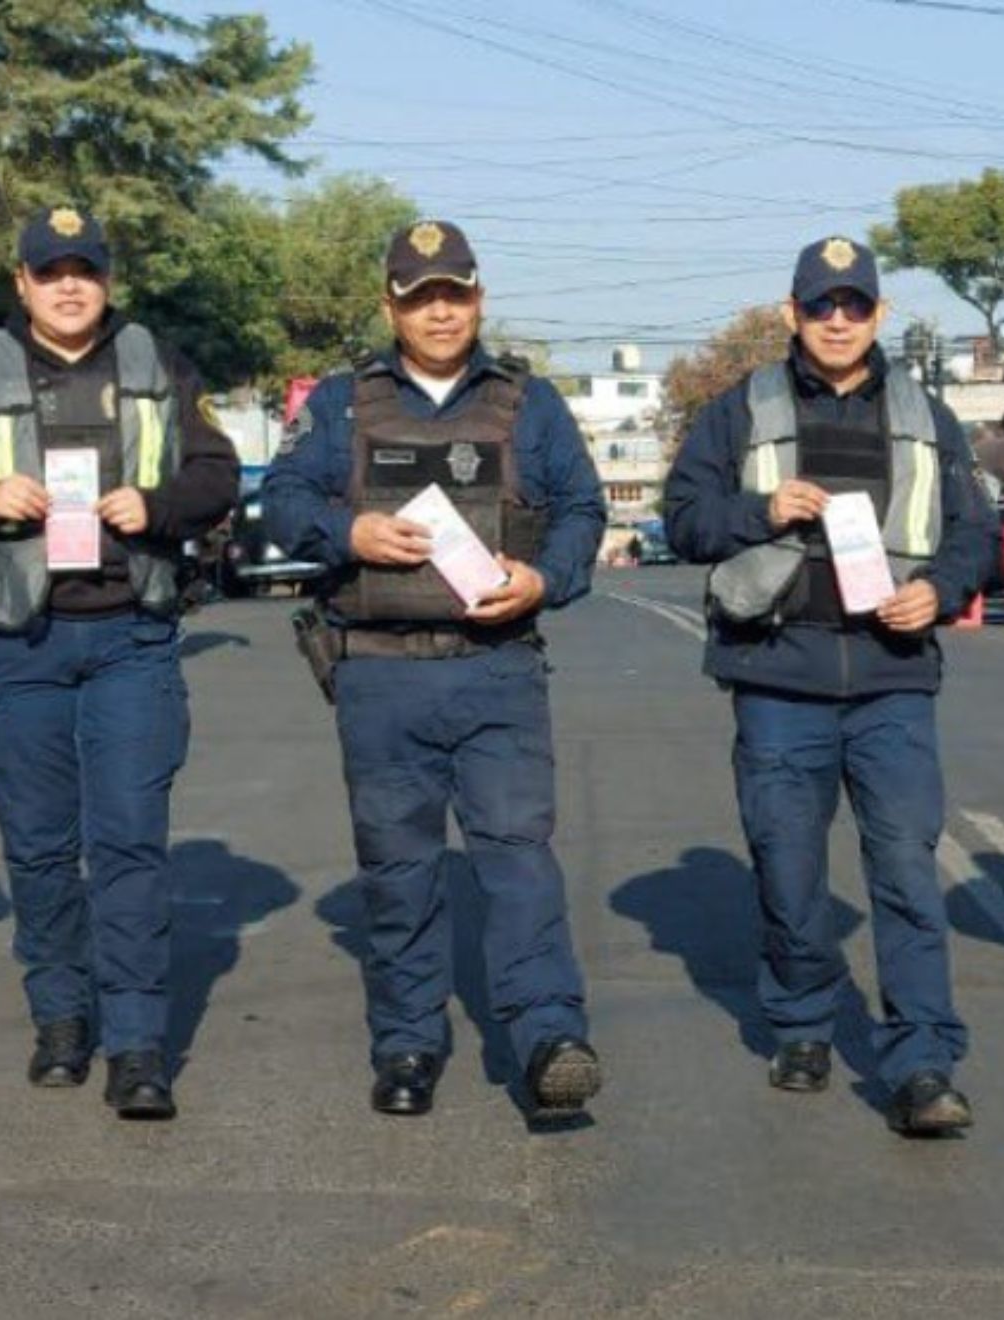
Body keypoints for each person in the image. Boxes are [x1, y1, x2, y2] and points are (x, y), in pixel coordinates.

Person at [0, 206, 238, 1121]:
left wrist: (156, 506)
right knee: (41, 850)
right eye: (51, 273)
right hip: (18, 645)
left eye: (84, 269)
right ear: (22, 284)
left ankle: (136, 1044)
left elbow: (219, 476)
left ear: (108, 280)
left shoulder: (158, 367)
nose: (69, 286)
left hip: (132, 637)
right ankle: (60, 1018)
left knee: (128, 844)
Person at [262, 220, 606, 1120]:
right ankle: (409, 1042)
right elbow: (281, 498)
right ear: (392, 306)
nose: (440, 310)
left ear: (478, 298)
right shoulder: (340, 404)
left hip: (496, 671)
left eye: (455, 292)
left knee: (517, 861)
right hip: (379, 678)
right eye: (421, 296)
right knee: (399, 871)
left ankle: (547, 1038)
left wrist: (544, 578)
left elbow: (581, 510)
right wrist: (348, 533)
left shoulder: (531, 404)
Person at [662, 236, 999, 1136]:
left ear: (879, 314)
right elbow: (683, 518)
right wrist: (760, 511)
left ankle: (924, 1061)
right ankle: (803, 1023)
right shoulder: (741, 411)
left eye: (855, 305)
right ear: (793, 314)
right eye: (822, 306)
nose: (839, 320)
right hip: (777, 675)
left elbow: (976, 532)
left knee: (903, 871)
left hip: (893, 682)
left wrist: (942, 589)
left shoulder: (929, 415)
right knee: (789, 866)